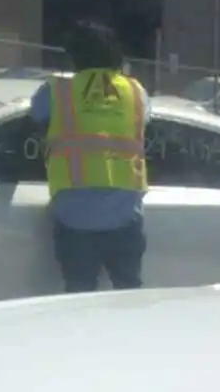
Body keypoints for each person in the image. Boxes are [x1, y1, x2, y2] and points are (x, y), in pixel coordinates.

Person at [28, 21, 150, 294]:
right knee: (129, 299)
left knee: (79, 301)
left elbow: (35, 118)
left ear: (74, 56)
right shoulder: (137, 92)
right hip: (125, 217)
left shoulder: (55, 92)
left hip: (75, 219)